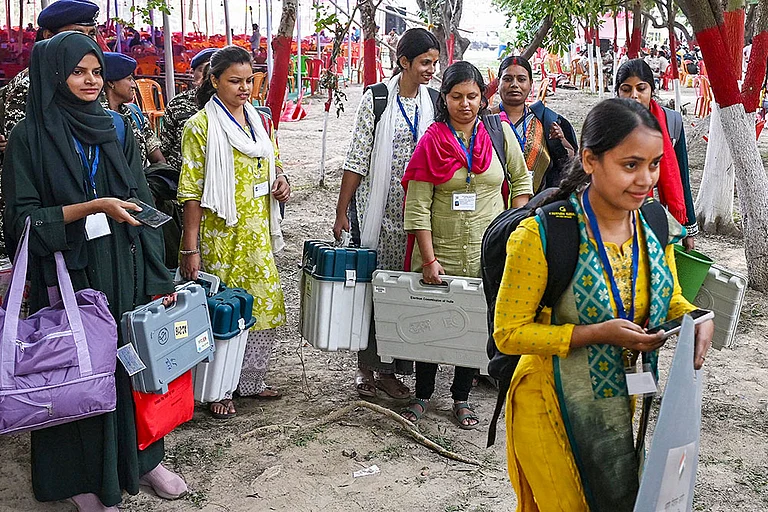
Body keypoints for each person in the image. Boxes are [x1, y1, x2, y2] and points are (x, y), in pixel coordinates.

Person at [493, 98, 714, 511]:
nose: (646, 179)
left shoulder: (654, 224)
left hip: (618, 401)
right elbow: (508, 333)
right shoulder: (541, 235)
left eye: (655, 164)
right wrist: (594, 334)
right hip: (549, 402)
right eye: (631, 165)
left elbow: (669, 297)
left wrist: (694, 318)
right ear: (590, 160)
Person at [3, 31, 188, 512]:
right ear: (53, 75)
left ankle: (142, 460)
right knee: (75, 370)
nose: (89, 80)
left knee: (132, 365)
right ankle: (79, 477)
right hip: (67, 274)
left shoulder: (118, 127)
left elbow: (143, 204)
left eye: (95, 71)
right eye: (77, 71)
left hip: (120, 269)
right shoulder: (29, 138)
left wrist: (157, 277)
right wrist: (88, 208)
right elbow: (20, 221)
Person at [400, 61, 532, 429]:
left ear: (482, 98)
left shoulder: (498, 133)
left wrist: (512, 229)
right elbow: (417, 204)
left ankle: (461, 397)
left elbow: (522, 183)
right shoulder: (432, 140)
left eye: (472, 96)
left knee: (475, 325)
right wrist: (428, 259)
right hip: (439, 251)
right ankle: (423, 394)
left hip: (486, 254)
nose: (465, 104)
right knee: (429, 322)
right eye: (456, 96)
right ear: (445, 98)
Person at [178, 45, 290, 419]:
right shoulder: (201, 127)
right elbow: (191, 192)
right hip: (221, 234)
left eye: (249, 81)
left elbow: (272, 162)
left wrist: (282, 182)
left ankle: (250, 381)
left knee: (264, 306)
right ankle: (217, 387)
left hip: (257, 230)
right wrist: (190, 248)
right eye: (234, 82)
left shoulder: (260, 121)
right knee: (222, 312)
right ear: (214, 81)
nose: (245, 89)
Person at [333, 27, 440, 401]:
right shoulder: (377, 98)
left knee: (407, 289)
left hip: (418, 214)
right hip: (379, 213)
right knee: (374, 289)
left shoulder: (436, 100)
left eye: (434, 63)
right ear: (404, 62)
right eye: (424, 62)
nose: (430, 69)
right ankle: (371, 369)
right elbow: (357, 157)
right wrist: (342, 210)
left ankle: (397, 366)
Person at [616, 58, 698, 250]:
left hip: (655, 218)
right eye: (626, 89)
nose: (634, 96)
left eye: (641, 88)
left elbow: (681, 177)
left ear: (652, 90)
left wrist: (688, 230)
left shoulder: (671, 122)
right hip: (616, 217)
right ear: (618, 92)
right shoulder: (607, 123)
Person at [494, 55, 578, 193]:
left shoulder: (546, 120)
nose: (514, 85)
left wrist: (561, 141)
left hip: (536, 202)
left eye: (521, 79)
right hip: (493, 202)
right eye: (508, 79)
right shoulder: (485, 120)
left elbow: (569, 161)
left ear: (531, 83)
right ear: (498, 83)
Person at [103, 52, 165, 165]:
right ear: (111, 83)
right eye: (129, 79)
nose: (134, 85)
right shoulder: (97, 118)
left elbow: (158, 159)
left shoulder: (135, 114)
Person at [160, 47, 217, 172]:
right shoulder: (178, 104)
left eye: (211, 71)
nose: (207, 76)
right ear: (193, 73)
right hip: (182, 174)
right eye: (202, 70)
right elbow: (165, 147)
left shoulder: (231, 106)